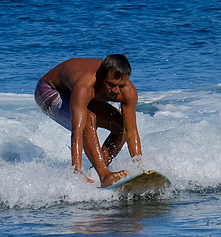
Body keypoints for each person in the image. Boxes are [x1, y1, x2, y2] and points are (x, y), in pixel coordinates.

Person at [35, 54, 142, 187]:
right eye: (111, 85)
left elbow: (131, 131)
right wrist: (77, 169)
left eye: (121, 86)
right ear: (102, 77)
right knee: (87, 118)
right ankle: (104, 176)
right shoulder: (85, 85)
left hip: (77, 92)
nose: (116, 91)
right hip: (48, 90)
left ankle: (95, 174)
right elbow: (77, 130)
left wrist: (140, 167)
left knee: (121, 126)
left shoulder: (128, 92)